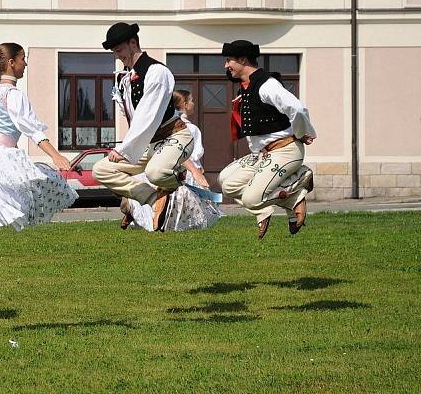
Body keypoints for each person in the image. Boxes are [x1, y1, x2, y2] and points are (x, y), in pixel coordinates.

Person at [0, 43, 77, 251]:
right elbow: (30, 128)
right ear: (11, 63)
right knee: (36, 183)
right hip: (1, 153)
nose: (25, 64)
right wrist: (55, 155)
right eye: (22, 59)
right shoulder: (14, 95)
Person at [92, 22, 195, 231]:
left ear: (133, 43)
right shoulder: (127, 78)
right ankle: (153, 197)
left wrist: (124, 149)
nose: (118, 56)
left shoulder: (157, 72)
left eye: (119, 50)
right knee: (100, 169)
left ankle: (174, 178)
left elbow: (147, 115)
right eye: (115, 52)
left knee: (155, 173)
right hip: (148, 145)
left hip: (173, 137)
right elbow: (133, 116)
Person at [218, 40, 316, 239]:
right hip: (265, 154)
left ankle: (299, 179)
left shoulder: (266, 85)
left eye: (229, 61)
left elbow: (297, 108)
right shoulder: (246, 87)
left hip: (286, 150)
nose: (226, 65)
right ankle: (289, 200)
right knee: (226, 182)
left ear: (243, 60)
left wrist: (302, 132)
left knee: (251, 199)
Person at [121, 90, 222, 232]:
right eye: (191, 101)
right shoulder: (190, 129)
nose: (193, 104)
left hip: (162, 164)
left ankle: (138, 211)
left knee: (161, 196)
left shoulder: (161, 125)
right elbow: (186, 153)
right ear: (185, 105)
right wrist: (196, 170)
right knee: (182, 199)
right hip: (181, 167)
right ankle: (166, 224)